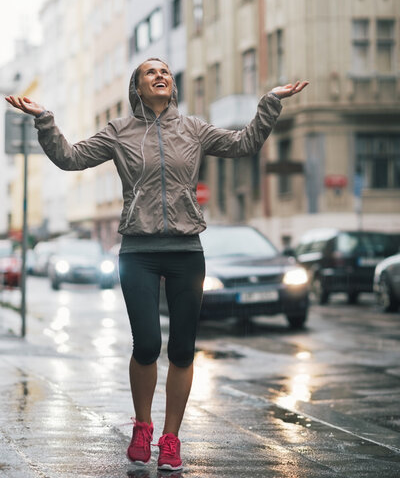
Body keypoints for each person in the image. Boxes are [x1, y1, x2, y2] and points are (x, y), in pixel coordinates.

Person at [5, 58, 308, 471]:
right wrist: (45, 120)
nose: (161, 76)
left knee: (182, 349)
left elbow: (243, 145)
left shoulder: (194, 129)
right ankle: (143, 427)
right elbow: (71, 158)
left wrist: (269, 103)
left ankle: (171, 439)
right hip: (139, 251)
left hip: (186, 250)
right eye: (151, 72)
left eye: (165, 71)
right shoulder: (119, 132)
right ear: (138, 87)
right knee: (147, 345)